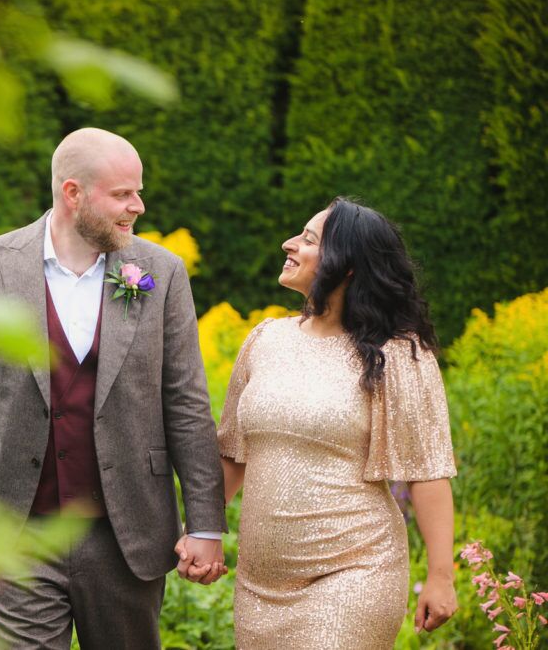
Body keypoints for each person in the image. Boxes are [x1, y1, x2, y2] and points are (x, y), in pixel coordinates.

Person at [0, 127, 228, 649]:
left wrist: (206, 525)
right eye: (122, 194)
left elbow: (186, 404)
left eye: (138, 192)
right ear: (73, 193)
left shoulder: (161, 272)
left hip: (127, 536)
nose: (137, 206)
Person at [180, 197, 458, 648]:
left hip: (354, 573)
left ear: (347, 266)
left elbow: (427, 472)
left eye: (308, 239)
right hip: (259, 588)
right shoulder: (266, 339)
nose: (288, 243)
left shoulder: (398, 353)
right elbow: (232, 452)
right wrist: (202, 531)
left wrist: (441, 577)